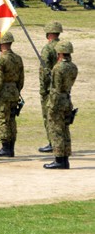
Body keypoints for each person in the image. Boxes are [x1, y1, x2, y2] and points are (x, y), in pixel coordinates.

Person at [44, 40, 78, 169]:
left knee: (56, 130)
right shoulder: (73, 67)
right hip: (67, 100)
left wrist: (52, 106)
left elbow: (56, 88)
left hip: (57, 101)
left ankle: (59, 159)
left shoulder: (58, 68)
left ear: (60, 53)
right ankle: (65, 159)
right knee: (65, 130)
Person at [0, 32, 24, 158]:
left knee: (2, 119)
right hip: (14, 91)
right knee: (11, 119)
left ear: (2, 44)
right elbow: (21, 79)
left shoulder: (1, 59)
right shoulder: (18, 58)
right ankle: (11, 147)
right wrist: (17, 90)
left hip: (3, 92)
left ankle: (5, 147)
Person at [38, 21, 62, 153]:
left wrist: (43, 89)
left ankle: (52, 142)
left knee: (49, 116)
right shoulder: (63, 46)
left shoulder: (47, 49)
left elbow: (44, 71)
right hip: (61, 88)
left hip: (50, 89)